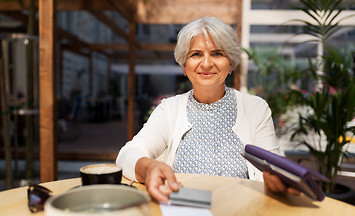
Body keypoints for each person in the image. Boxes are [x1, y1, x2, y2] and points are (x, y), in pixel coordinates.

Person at [116, 16, 299, 203]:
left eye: (217, 53)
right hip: (184, 210)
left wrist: (276, 180)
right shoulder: (168, 109)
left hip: (239, 213)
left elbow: (270, 169)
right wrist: (149, 168)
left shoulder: (256, 108)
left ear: (231, 64)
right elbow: (127, 155)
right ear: (184, 66)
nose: (206, 63)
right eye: (196, 54)